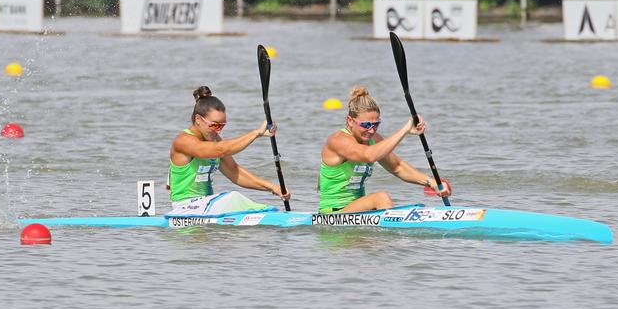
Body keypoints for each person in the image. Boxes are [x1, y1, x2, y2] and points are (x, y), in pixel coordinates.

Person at [319, 86, 450, 214]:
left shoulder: (373, 139)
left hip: (358, 211)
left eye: (376, 124)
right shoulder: (338, 140)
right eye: (365, 125)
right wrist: (405, 130)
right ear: (350, 121)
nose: (371, 130)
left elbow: (397, 167)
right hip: (333, 213)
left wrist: (431, 182)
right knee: (381, 198)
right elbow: (368, 155)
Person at [168, 86, 290, 216]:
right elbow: (222, 149)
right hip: (185, 208)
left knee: (239, 201)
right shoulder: (183, 141)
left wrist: (273, 188)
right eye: (214, 125)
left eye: (222, 125)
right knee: (233, 197)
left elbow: (234, 172)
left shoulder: (213, 139)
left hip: (206, 206)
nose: (218, 130)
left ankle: (271, 214)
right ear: (198, 119)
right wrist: (256, 133)